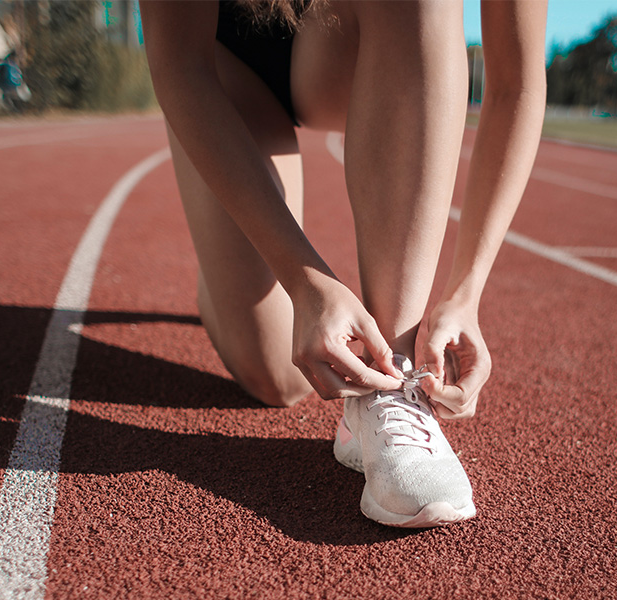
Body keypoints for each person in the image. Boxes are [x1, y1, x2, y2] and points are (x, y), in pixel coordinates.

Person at [140, 0, 546, 527]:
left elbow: (517, 83)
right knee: (278, 380)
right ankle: (220, 281)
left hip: (342, 43)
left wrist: (467, 293)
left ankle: (392, 379)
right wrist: (304, 281)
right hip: (225, 57)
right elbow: (178, 65)